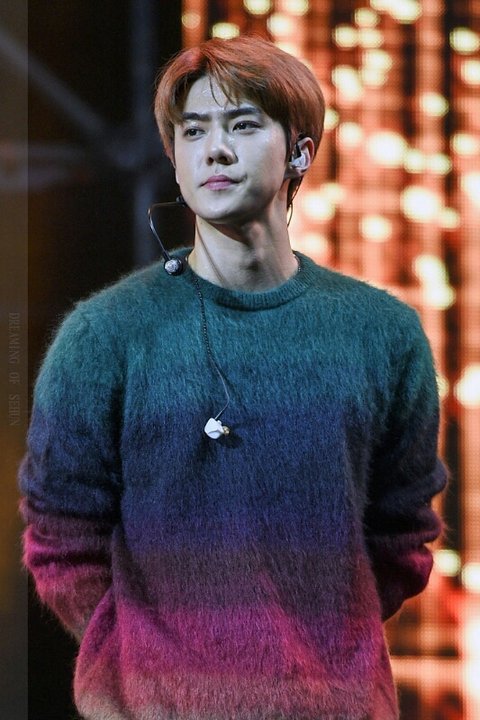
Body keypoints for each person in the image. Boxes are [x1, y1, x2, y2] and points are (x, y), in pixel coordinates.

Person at [19, 35, 447, 720]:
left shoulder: (382, 333)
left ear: (300, 153)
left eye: (242, 125)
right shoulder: (105, 334)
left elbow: (402, 532)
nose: (214, 150)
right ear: (175, 159)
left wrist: (321, 646)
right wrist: (140, 658)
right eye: (193, 132)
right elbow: (59, 532)